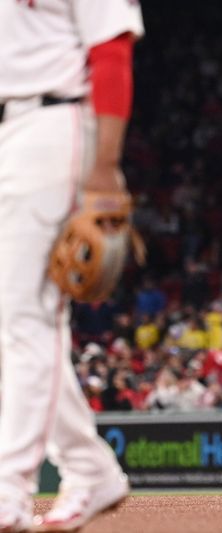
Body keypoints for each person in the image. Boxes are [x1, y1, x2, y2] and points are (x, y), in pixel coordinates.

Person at [0, 2, 143, 531]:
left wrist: (104, 169)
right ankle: (88, 467)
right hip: (11, 127)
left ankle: (9, 490)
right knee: (12, 323)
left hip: (52, 125)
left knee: (26, 318)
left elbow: (112, 51)